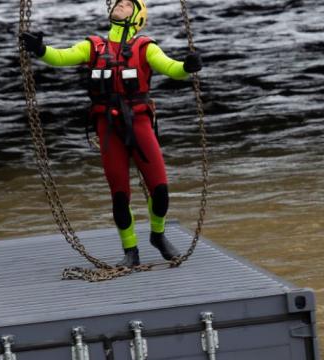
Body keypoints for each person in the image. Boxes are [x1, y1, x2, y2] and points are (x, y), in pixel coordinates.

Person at [21, 0, 203, 267]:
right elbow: (61, 57)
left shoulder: (146, 48)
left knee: (161, 190)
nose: (121, 4)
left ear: (138, 18)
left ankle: (158, 234)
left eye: (129, 4)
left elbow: (171, 68)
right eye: (119, 2)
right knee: (119, 195)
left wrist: (188, 66)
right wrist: (40, 49)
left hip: (139, 123)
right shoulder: (93, 46)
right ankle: (130, 250)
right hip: (108, 127)